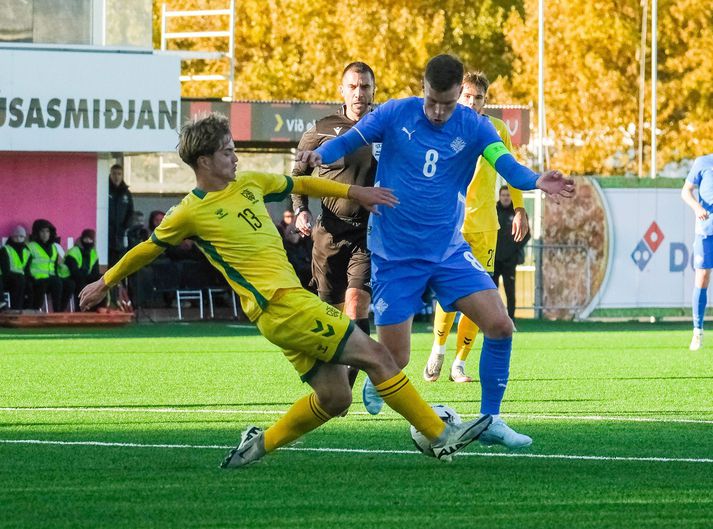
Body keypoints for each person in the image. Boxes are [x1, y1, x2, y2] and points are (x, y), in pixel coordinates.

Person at [79, 112, 493, 468]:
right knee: (378, 355)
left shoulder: (252, 183)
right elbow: (148, 249)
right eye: (227, 151)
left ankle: (257, 445)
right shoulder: (189, 211)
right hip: (282, 305)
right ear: (204, 160)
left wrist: (356, 192)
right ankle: (439, 435)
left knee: (334, 399)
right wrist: (104, 281)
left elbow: (305, 185)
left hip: (284, 310)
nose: (235, 156)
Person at [296, 54, 574, 449]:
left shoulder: (475, 127)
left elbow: (505, 163)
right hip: (395, 256)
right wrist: (317, 156)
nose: (439, 111)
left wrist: (535, 180)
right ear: (423, 88)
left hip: (447, 251)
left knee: (500, 325)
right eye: (432, 101)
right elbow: (349, 139)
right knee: (397, 359)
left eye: (447, 102)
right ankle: (378, 376)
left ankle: (491, 418)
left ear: (460, 93)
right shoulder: (395, 113)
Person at [424, 71, 529, 384]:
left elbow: (510, 169)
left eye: (478, 97)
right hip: (450, 225)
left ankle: (459, 363)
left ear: (486, 100)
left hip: (484, 226)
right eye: (467, 96)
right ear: (458, 95)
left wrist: (521, 207)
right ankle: (438, 349)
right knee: (448, 297)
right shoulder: (441, 126)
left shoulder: (495, 130)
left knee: (478, 297)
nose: (472, 102)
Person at [291, 61, 378, 350]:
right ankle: (336, 381)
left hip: (368, 234)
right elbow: (298, 175)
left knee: (356, 306)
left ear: (374, 90)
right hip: (328, 233)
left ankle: (359, 377)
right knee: (331, 315)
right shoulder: (322, 130)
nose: (359, 93)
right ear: (341, 90)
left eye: (365, 86)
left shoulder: (386, 130)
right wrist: (301, 209)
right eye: (352, 87)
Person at [681, 153, 713, 351]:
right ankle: (697, 331)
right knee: (702, 276)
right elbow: (686, 191)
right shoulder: (703, 162)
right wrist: (697, 207)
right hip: (706, 229)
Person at [493, 186, 531, 319]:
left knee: (510, 291)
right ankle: (493, 319)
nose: (506, 198)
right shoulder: (493, 211)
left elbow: (527, 234)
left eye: (508, 195)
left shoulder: (518, 213)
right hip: (493, 259)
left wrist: (515, 249)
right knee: (491, 291)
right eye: (503, 195)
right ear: (499, 196)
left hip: (510, 260)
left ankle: (511, 320)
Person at [27, 219, 63, 311]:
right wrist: (31, 278)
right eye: (42, 231)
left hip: (51, 277)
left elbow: (55, 266)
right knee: (43, 285)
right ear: (37, 233)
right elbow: (26, 265)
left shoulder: (54, 247)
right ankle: (35, 311)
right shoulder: (31, 246)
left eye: (47, 231)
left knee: (60, 283)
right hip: (36, 278)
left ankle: (58, 313)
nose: (45, 234)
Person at [276, 209, 313, 290]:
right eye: (287, 217)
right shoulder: (279, 228)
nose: (289, 219)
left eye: (291, 216)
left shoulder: (297, 226)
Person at [65, 229, 101, 305]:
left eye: (90, 239)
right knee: (81, 284)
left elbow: (95, 271)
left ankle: (100, 307)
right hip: (72, 277)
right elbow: (74, 271)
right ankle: (82, 308)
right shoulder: (74, 251)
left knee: (102, 280)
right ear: (82, 239)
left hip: (86, 277)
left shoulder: (93, 253)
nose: (88, 241)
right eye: (86, 239)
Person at [108, 163, 134, 266]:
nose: (116, 176)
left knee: (120, 259)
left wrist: (125, 227)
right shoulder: (106, 190)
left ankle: (120, 282)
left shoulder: (126, 193)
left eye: (119, 174)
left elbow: (130, 212)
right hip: (108, 233)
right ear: (110, 175)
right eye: (114, 174)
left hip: (120, 233)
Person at [0, 225, 31, 309]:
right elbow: (5, 270)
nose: (18, 239)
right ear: (11, 237)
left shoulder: (27, 251)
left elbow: (27, 270)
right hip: (6, 278)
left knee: (31, 283)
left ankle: (27, 308)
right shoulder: (5, 249)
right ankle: (16, 308)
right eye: (16, 236)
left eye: (21, 236)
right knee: (19, 280)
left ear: (24, 238)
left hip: (20, 278)